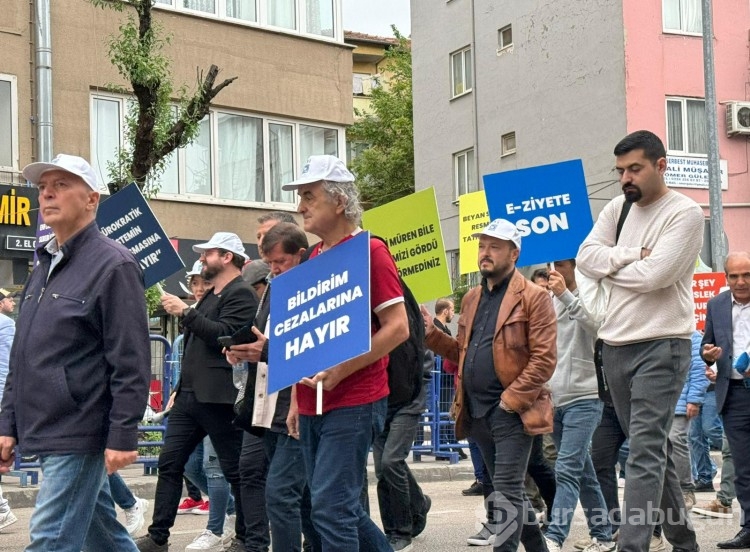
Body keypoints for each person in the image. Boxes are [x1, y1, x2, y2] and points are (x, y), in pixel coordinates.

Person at [0, 154, 151, 550]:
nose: (47, 193)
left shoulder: (114, 265)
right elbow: (23, 355)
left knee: (49, 539)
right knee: (102, 536)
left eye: (62, 185)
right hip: (46, 426)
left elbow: (131, 359)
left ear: (92, 200)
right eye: (42, 187)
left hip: (80, 427)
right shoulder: (44, 265)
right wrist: (8, 423)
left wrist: (123, 432)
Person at [576, 130, 704, 552]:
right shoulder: (618, 209)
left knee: (643, 451)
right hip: (614, 345)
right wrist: (629, 255)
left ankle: (630, 546)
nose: (625, 178)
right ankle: (684, 541)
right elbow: (586, 257)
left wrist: (607, 267)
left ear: (660, 165)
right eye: (620, 171)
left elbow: (658, 277)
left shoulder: (684, 212)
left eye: (635, 169)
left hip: (661, 345)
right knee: (654, 449)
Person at [282, 155, 409, 552]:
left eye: (309, 196)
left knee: (332, 509)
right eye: (300, 196)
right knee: (339, 508)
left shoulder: (371, 251)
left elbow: (399, 328)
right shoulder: (314, 258)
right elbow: (310, 337)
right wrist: (293, 400)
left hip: (355, 399)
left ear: (338, 202)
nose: (300, 205)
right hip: (313, 401)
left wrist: (342, 369)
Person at [423, 218, 556, 552]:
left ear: (514, 253)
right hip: (476, 410)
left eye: (494, 247)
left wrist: (510, 401)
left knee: (508, 492)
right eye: (482, 246)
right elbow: (461, 351)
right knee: (504, 490)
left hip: (512, 411)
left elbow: (544, 359)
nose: (485, 253)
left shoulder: (534, 297)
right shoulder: (471, 298)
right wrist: (431, 334)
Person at [135, 232, 258, 552]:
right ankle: (158, 536)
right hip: (189, 397)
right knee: (170, 462)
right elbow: (194, 348)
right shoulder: (212, 294)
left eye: (209, 253)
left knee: (234, 470)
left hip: (218, 397)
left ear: (227, 257)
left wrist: (185, 312)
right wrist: (178, 388)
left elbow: (225, 336)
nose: (202, 258)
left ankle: (247, 537)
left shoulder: (241, 293)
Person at [228, 222, 320, 552]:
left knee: (281, 494)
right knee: (308, 499)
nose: (274, 269)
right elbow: (266, 338)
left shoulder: (315, 286)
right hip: (268, 406)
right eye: (269, 263)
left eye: (279, 262)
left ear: (300, 253)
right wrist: (242, 350)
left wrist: (264, 350)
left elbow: (310, 348)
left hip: (299, 406)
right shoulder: (273, 287)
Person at [544, 259, 614, 552]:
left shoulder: (592, 294)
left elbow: (600, 328)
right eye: (551, 264)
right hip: (554, 397)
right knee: (582, 472)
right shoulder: (548, 299)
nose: (554, 270)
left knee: (567, 468)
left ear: (575, 266)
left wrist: (566, 296)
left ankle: (555, 536)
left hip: (585, 397)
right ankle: (604, 534)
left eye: (560, 263)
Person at [700, 251, 750, 549]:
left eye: (747, 275)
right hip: (733, 395)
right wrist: (708, 355)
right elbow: (707, 345)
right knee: (743, 467)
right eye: (734, 276)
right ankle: (748, 528)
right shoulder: (716, 305)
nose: (741, 281)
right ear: (726, 276)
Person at [669, 330, 709, 512]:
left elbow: (700, 370)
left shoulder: (692, 336)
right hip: (659, 402)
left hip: (681, 401)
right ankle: (667, 490)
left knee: (676, 439)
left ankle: (686, 488)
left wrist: (694, 400)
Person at [0, 289, 17, 533]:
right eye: (9, 298)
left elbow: (11, 365)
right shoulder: (6, 324)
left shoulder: (6, 324)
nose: (12, 301)